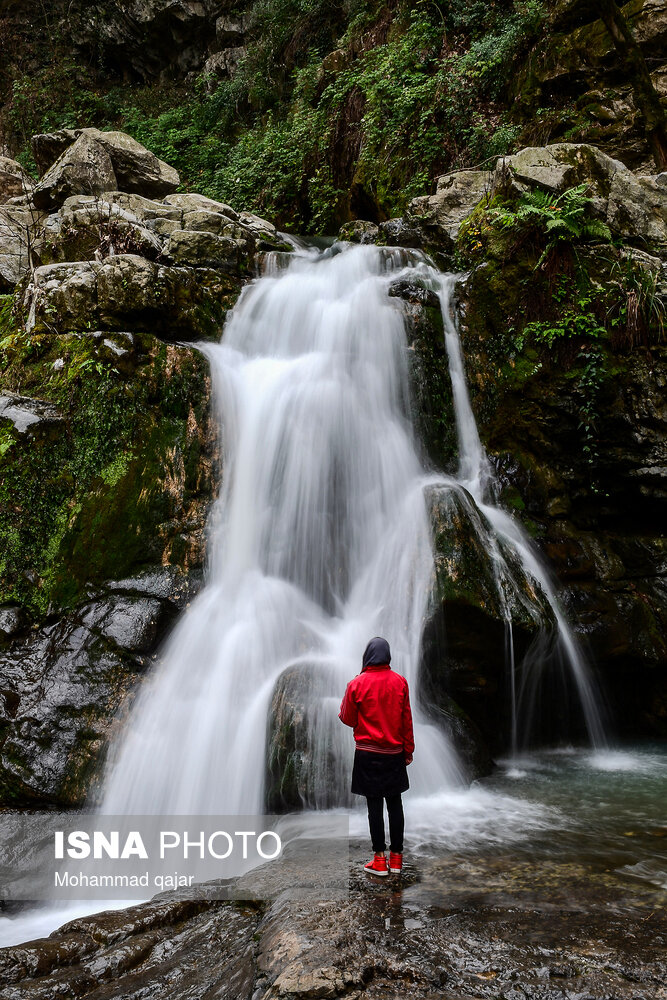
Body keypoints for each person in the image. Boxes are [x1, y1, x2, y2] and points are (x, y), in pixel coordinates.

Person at [338, 636, 414, 877]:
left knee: (374, 806)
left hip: (367, 754)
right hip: (394, 754)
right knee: (395, 805)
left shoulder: (356, 684)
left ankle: (379, 861)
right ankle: (398, 859)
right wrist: (408, 751)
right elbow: (407, 721)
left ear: (367, 656)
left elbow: (347, 718)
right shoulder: (400, 682)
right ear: (387, 656)